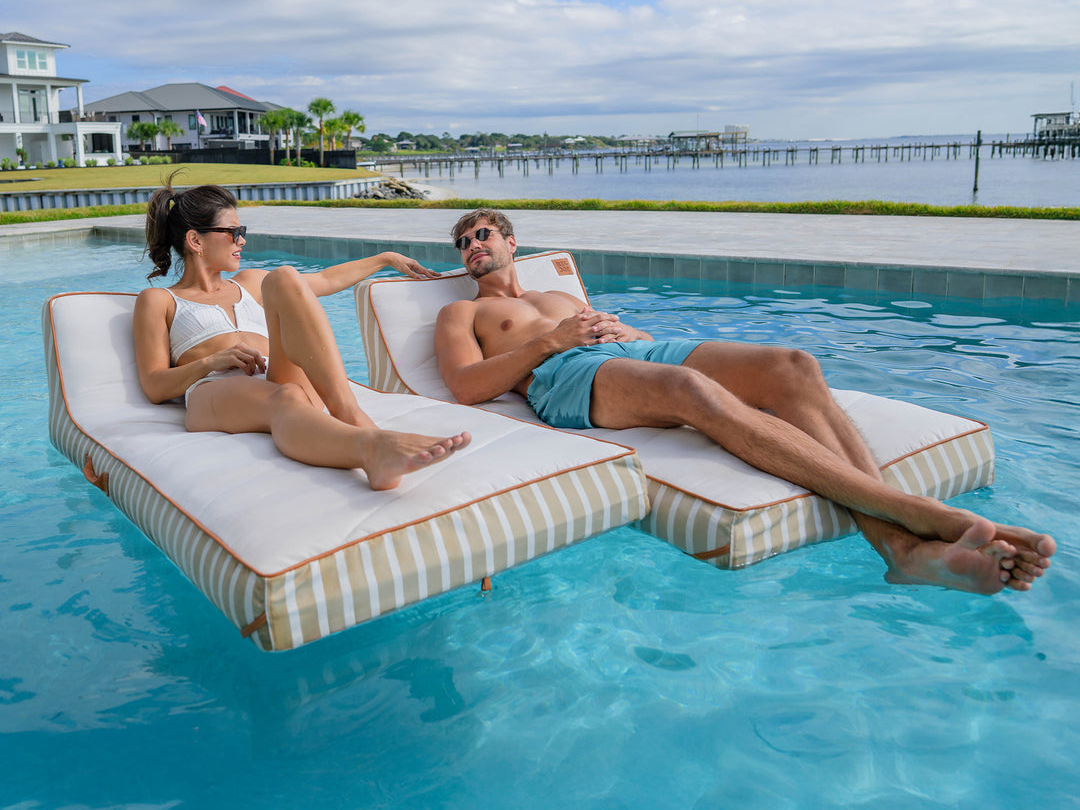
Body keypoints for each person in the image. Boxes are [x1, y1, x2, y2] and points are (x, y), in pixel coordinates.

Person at [434, 209, 1056, 595]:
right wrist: (551, 341)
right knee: (689, 392)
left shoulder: (564, 295)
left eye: (481, 234)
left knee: (793, 366)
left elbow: (637, 348)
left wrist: (632, 335)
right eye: (461, 244)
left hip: (625, 353)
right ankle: (911, 518)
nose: (471, 246)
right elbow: (467, 386)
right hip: (562, 374)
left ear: (512, 241)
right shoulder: (462, 310)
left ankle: (905, 552)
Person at [134, 178, 469, 489]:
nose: (242, 240)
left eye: (242, 230)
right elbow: (154, 385)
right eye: (233, 232)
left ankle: (349, 412)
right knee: (286, 397)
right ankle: (372, 446)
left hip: (273, 375)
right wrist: (211, 360)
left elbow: (325, 281)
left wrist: (385, 258)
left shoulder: (250, 282)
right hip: (215, 389)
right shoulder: (160, 300)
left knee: (285, 277)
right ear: (195, 240)